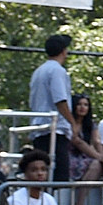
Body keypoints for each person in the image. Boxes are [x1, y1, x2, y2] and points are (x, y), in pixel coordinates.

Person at [29, 33, 78, 177]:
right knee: (59, 173)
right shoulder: (57, 71)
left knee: (43, 171)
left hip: (40, 128)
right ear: (64, 51)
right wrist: (72, 123)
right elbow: (60, 100)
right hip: (54, 130)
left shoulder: (39, 71)